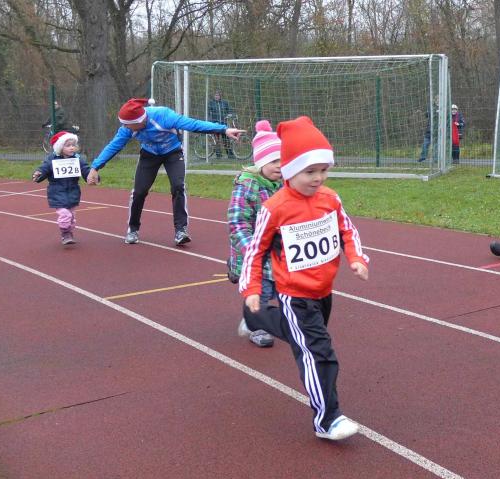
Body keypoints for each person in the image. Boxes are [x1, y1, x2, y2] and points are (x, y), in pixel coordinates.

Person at [239, 116, 370, 441]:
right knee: (317, 351)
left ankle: (255, 318)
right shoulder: (275, 208)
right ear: (289, 170)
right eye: (310, 171)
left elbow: (347, 230)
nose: (318, 178)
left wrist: (356, 258)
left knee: (300, 336)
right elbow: (256, 250)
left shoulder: (330, 199)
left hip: (324, 291)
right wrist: (252, 288)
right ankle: (327, 419)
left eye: (324, 170)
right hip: (295, 295)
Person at [86, 98, 243, 246]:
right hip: (149, 155)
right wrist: (95, 167)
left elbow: (193, 124)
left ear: (139, 121)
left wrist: (224, 130)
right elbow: (114, 146)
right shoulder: (127, 129)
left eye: (127, 125)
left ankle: (181, 230)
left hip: (172, 153)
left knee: (178, 186)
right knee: (139, 191)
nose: (125, 128)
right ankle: (133, 229)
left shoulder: (164, 116)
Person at [228, 120, 283, 348]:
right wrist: (252, 250)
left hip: (279, 252)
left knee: (282, 289)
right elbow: (237, 222)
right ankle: (254, 324)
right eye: (274, 161)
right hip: (255, 251)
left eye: (283, 160)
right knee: (262, 290)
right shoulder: (247, 186)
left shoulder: (285, 185)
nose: (280, 166)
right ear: (260, 162)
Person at [32, 131, 91, 245]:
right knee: (65, 214)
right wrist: (38, 174)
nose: (72, 148)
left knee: (71, 217)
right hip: (57, 191)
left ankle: (69, 232)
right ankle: (65, 233)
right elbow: (44, 168)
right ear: (60, 147)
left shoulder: (77, 159)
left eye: (73, 145)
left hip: (73, 191)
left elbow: (85, 169)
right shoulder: (52, 159)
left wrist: (91, 176)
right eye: (68, 145)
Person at [207, 90, 235, 159]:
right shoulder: (211, 103)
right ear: (214, 96)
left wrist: (230, 115)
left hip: (223, 124)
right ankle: (218, 155)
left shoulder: (224, 103)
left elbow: (230, 110)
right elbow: (208, 113)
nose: (217, 97)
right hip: (215, 125)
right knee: (217, 140)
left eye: (218, 95)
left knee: (226, 140)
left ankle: (230, 155)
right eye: (215, 95)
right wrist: (210, 121)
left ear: (220, 96)